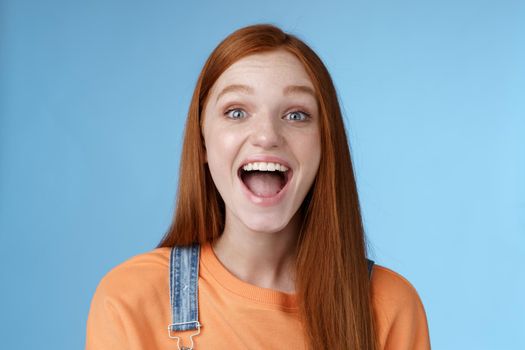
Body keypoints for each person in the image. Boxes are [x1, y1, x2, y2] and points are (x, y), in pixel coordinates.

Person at [86, 24, 430, 350]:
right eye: (236, 112)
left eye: (296, 115)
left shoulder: (389, 305)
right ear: (203, 143)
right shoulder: (130, 298)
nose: (267, 135)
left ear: (326, 145)